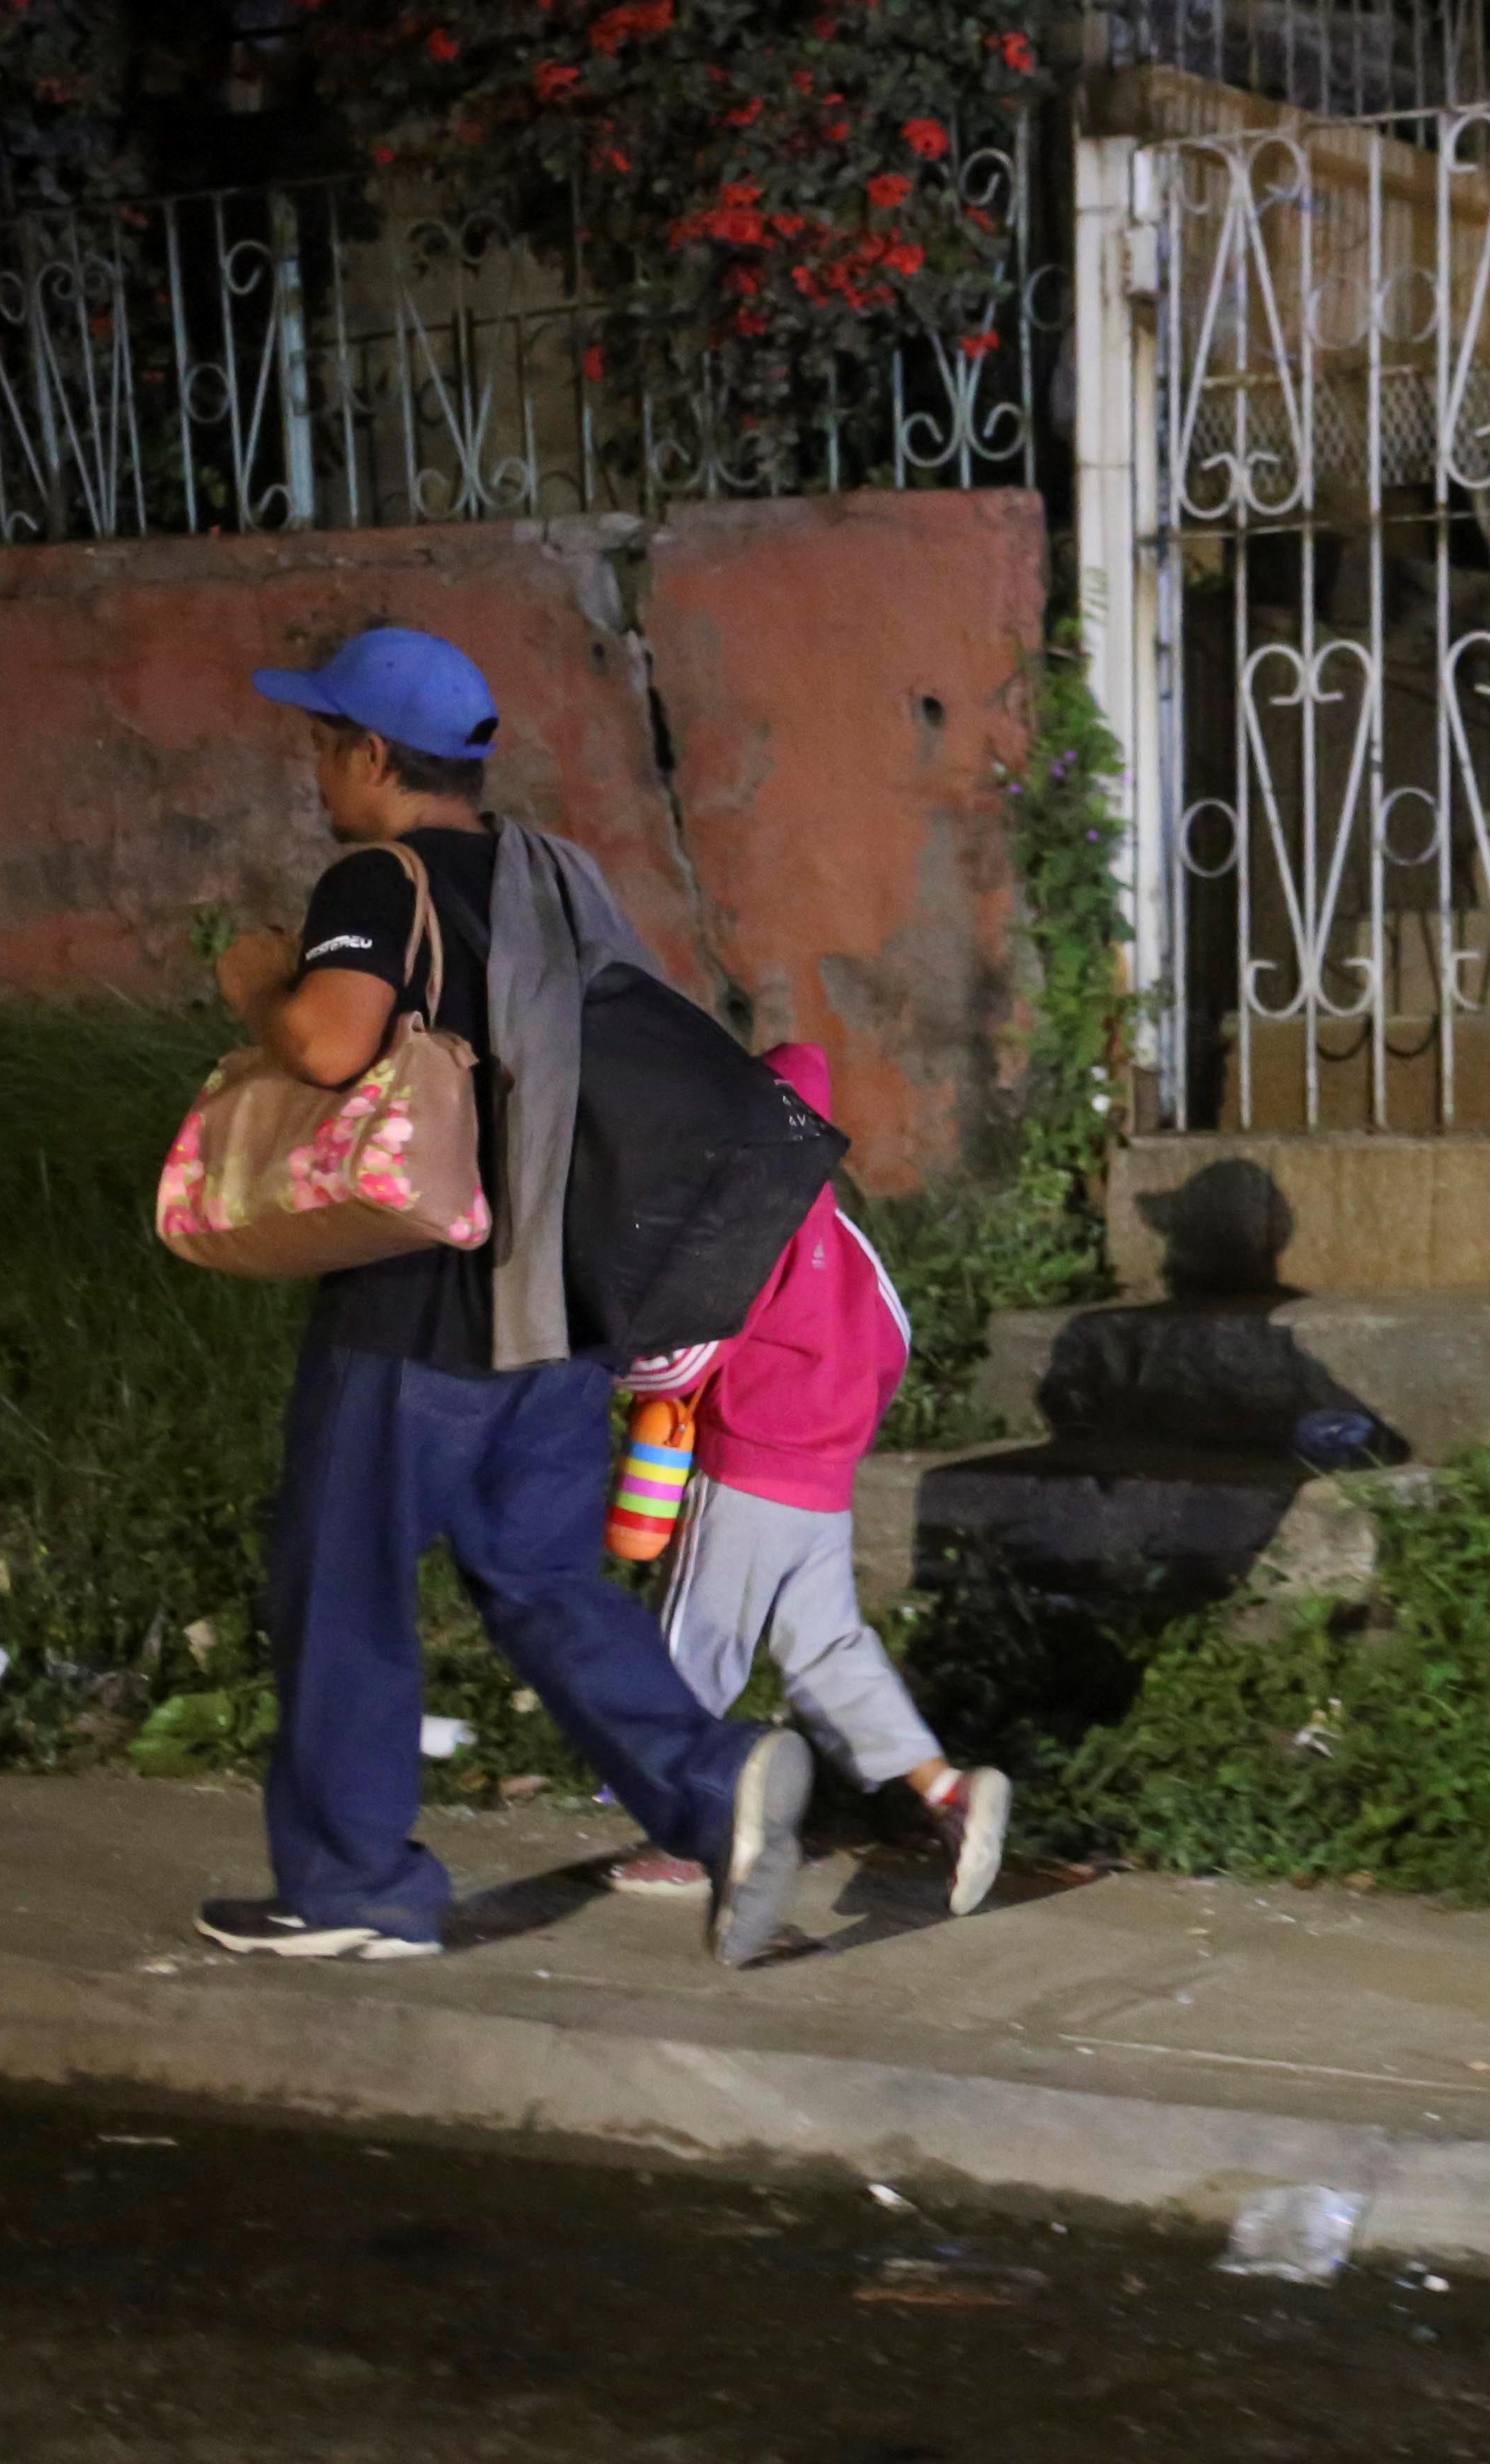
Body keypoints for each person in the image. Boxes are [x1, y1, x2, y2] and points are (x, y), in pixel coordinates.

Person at [203, 626, 815, 1970]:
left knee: (344, 1590)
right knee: (543, 1581)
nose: (316, 772)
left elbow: (327, 1040)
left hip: (412, 1310)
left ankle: (356, 1886)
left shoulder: (376, 873)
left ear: (372, 755)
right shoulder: (559, 873)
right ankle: (717, 1787)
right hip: (556, 1311)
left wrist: (256, 975)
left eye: (322, 745)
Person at [606, 1042, 1014, 1914]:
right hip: (824, 1477)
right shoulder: (841, 1227)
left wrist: (616, 1371)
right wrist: (838, 1431)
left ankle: (689, 1833)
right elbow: (894, 1338)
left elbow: (685, 1358)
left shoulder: (747, 1220)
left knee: (694, 1645)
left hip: (747, 1467)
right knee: (830, 1649)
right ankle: (948, 1791)